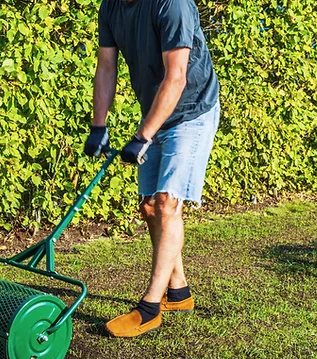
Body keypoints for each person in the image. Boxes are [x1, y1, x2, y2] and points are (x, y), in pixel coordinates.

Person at [83, 0, 220, 338]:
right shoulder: (111, 7)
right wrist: (99, 126)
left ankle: (149, 308)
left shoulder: (170, 5)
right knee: (148, 206)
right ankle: (179, 292)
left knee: (166, 203)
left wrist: (143, 135)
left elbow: (176, 76)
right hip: (156, 109)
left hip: (191, 110)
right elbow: (106, 66)